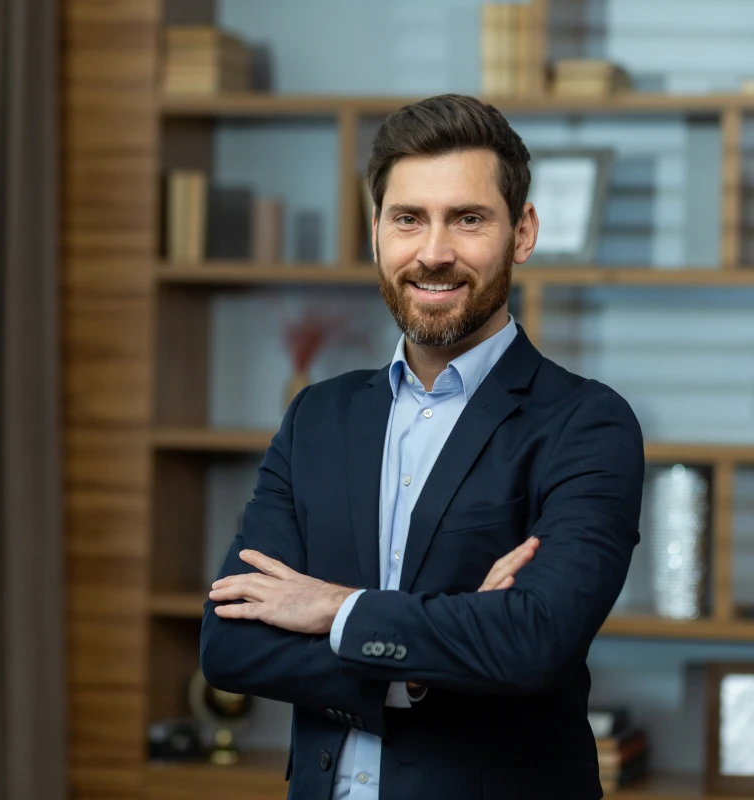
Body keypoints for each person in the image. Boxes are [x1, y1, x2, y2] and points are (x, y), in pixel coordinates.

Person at [199, 93, 645, 800]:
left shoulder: (586, 424)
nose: (434, 253)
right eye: (409, 219)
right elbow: (231, 645)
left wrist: (331, 610)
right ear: (376, 231)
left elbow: (533, 641)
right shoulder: (318, 416)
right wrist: (424, 665)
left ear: (522, 232)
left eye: (468, 220)